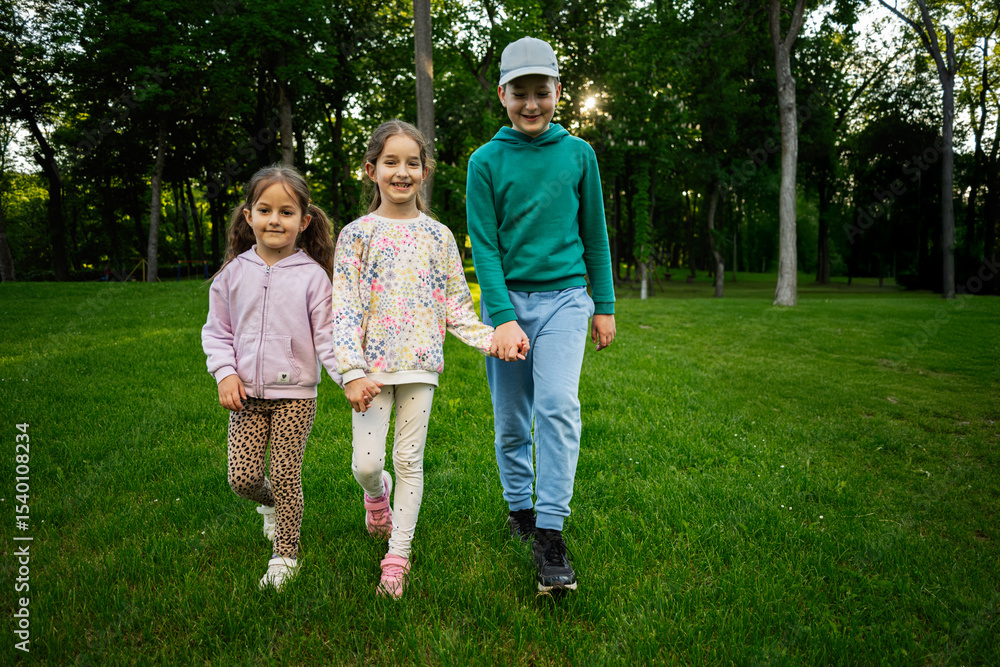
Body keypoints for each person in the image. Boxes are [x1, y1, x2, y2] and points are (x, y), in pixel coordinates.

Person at [332, 120, 515, 599]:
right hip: (370, 372)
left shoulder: (440, 236)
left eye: (412, 163)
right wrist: (351, 371)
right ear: (371, 170)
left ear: (425, 171)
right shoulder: (355, 235)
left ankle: (398, 557)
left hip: (420, 367)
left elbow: (458, 308)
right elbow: (344, 309)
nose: (402, 172)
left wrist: (493, 340)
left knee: (409, 460)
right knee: (367, 465)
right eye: (391, 162)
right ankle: (377, 498)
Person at [466, 36, 617, 593]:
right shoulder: (484, 161)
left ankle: (551, 531)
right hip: (506, 306)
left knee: (557, 405)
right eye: (520, 93)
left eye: (542, 91)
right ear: (502, 95)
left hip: (566, 301)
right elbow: (485, 246)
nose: (531, 104)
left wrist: (604, 305)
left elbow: (594, 234)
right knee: (511, 419)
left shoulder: (579, 155)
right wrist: (502, 317)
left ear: (558, 91)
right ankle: (520, 510)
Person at [202, 164, 346, 591]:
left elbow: (328, 337)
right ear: (249, 216)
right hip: (245, 395)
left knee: (285, 475)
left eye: (286, 212)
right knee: (242, 479)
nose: (275, 220)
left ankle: (285, 555)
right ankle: (270, 506)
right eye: (265, 210)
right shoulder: (232, 274)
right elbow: (217, 332)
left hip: (296, 396)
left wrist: (348, 379)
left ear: (304, 221)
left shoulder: (313, 277)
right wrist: (225, 374)